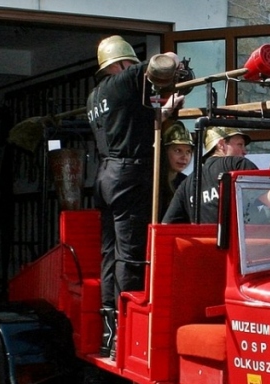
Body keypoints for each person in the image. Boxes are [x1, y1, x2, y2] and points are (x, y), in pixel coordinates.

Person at [87, 35, 186, 359]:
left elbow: (141, 119)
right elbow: (162, 62)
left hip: (104, 174)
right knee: (129, 253)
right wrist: (175, 66)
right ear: (121, 64)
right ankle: (125, 334)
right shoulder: (125, 80)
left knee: (108, 252)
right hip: (129, 173)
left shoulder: (95, 97)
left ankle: (107, 329)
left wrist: (168, 107)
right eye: (131, 64)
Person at [162, 126, 258, 224]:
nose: (244, 151)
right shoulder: (239, 163)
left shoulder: (185, 184)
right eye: (240, 145)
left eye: (188, 152)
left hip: (203, 239)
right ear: (221, 145)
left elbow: (165, 226)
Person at [157, 121, 194, 217]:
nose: (184, 157)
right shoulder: (154, 183)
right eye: (178, 151)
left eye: (188, 152)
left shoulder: (186, 182)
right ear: (165, 151)